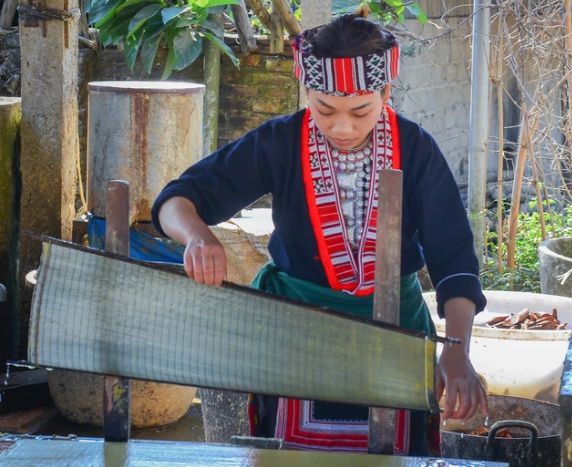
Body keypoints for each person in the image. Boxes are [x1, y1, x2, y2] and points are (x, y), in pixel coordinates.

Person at [152, 7, 487, 456]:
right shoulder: (280, 142)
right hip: (295, 330)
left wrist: (457, 349)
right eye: (324, 109)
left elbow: (454, 258)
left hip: (397, 332)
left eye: (360, 111)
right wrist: (196, 235)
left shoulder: (415, 148)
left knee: (395, 455)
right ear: (306, 88)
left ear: (386, 92)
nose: (342, 127)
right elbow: (179, 198)